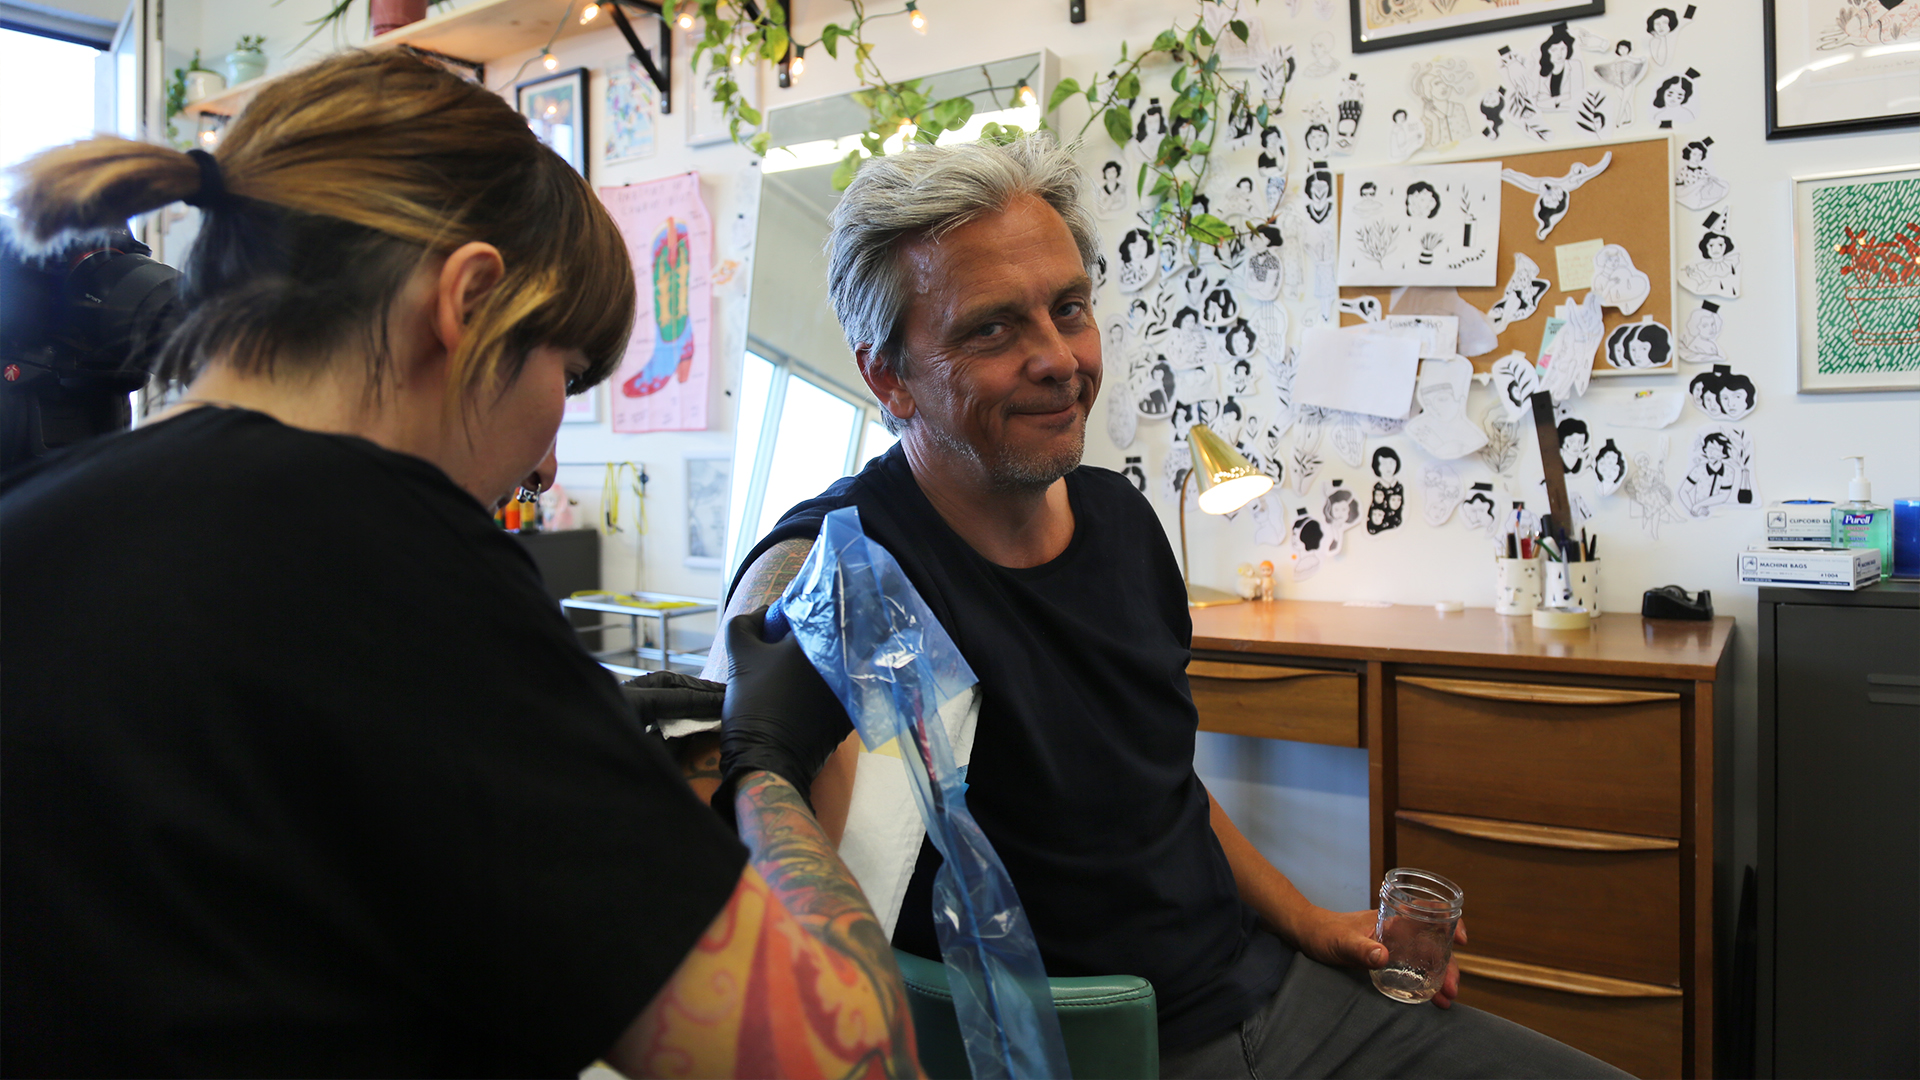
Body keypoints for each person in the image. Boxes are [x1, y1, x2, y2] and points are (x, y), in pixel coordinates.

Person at [1, 51, 916, 1079]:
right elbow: (838, 1058)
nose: (548, 462)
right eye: (568, 373)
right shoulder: (390, 560)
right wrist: (770, 766)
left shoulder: (31, 521)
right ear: (470, 300)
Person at [708, 134, 1624, 1079]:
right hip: (1098, 1049)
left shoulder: (1122, 521)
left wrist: (1309, 921)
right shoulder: (846, 567)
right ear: (888, 376)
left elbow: (1162, 788)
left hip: (1269, 988)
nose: (1059, 359)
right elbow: (766, 839)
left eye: (1070, 309)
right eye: (992, 330)